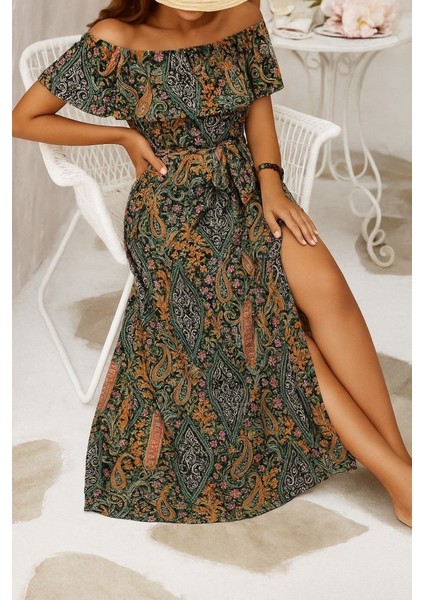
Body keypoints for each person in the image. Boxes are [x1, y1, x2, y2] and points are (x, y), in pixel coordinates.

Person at [12, 0, 412, 527]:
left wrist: (271, 182)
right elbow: (24, 119)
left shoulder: (243, 14)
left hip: (246, 187)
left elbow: (259, 111)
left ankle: (402, 462)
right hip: (171, 209)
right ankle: (402, 483)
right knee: (275, 324)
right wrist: (122, 134)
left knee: (327, 288)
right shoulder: (115, 37)